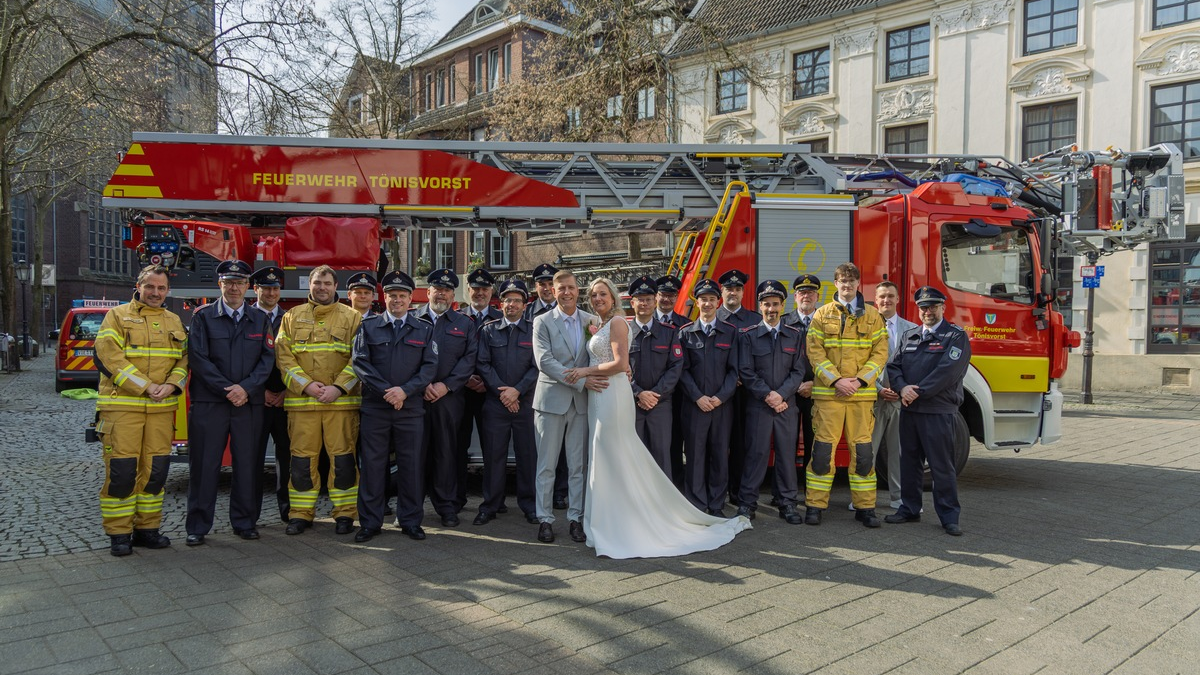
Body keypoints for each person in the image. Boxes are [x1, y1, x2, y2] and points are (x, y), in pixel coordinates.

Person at [563, 278, 751, 558]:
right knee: (608, 457)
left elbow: (622, 364)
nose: (598, 298)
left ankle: (624, 521)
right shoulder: (598, 324)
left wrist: (584, 372)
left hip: (612, 396)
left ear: (614, 298)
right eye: (593, 294)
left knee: (613, 453)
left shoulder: (616, 323)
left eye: (603, 293)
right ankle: (613, 517)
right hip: (602, 395)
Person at [94, 264, 188, 556]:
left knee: (155, 472)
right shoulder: (117, 316)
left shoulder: (174, 321)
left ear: (167, 290)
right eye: (150, 287)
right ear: (139, 286)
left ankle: (148, 529)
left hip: (160, 410)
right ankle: (119, 533)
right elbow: (110, 358)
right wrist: (147, 387)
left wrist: (172, 385)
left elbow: (183, 361)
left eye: (161, 288)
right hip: (122, 409)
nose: (155, 293)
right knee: (122, 473)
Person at [184, 260, 276, 546]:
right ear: (220, 285)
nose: (234, 287)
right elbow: (198, 358)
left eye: (239, 282)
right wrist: (228, 389)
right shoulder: (203, 316)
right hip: (210, 402)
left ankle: (245, 522)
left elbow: (267, 360)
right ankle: (198, 526)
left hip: (247, 403)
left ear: (248, 287)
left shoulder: (260, 319)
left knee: (248, 464)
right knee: (204, 464)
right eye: (228, 282)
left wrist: (245, 388)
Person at [274, 264, 363, 536]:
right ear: (308, 286)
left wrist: (338, 387)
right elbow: (283, 357)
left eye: (327, 283)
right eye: (317, 283)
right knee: (301, 461)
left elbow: (360, 359)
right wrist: (307, 386)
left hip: (341, 405)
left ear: (336, 287)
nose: (322, 288)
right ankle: (300, 514)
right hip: (303, 406)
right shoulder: (291, 317)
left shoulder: (352, 317)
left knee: (344, 460)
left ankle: (346, 513)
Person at [352, 271, 438, 542]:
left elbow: (429, 367)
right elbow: (360, 363)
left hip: (410, 409)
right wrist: (387, 392)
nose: (397, 300)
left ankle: (411, 520)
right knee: (373, 467)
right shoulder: (368, 327)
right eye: (392, 295)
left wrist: (404, 391)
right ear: (384, 297)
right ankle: (370, 522)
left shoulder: (424, 329)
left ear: (410, 298)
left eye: (402, 296)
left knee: (411, 467)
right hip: (376, 409)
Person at [804, 262, 888, 527]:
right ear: (836, 283)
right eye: (843, 281)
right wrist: (837, 381)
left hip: (860, 397)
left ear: (858, 284)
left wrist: (861, 381)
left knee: (863, 454)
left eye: (852, 281)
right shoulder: (821, 314)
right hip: (829, 396)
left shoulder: (873, 316)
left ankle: (865, 508)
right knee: (822, 453)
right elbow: (814, 352)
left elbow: (880, 353)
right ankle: (815, 506)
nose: (847, 285)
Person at [885, 287, 971, 536]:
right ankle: (909, 508)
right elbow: (894, 366)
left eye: (933, 306)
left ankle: (949, 516)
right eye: (923, 307)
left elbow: (948, 372)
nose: (928, 311)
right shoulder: (910, 335)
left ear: (943, 307)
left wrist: (916, 392)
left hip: (937, 411)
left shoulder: (955, 336)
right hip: (910, 410)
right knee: (909, 463)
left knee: (941, 466)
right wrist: (901, 388)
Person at [531, 270, 600, 544]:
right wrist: (581, 382)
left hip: (581, 406)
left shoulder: (592, 321)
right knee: (546, 466)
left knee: (577, 466)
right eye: (561, 288)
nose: (567, 292)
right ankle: (545, 519)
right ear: (553, 291)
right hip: (550, 403)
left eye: (571, 287)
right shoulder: (542, 321)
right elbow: (544, 361)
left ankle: (575, 519)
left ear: (578, 289)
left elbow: (598, 357)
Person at [734, 280, 807, 524]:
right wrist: (768, 395)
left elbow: (798, 371)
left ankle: (787, 503)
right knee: (756, 454)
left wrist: (781, 396)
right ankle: (747, 503)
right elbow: (745, 370)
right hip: (759, 405)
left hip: (786, 406)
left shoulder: (795, 336)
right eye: (766, 304)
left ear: (782, 305)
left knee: (787, 456)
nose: (771, 309)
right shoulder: (749, 336)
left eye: (775, 304)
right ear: (760, 306)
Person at [412, 268, 478, 527]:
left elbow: (469, 359)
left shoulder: (464, 324)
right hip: (415, 398)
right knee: (414, 455)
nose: (441, 293)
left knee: (446, 453)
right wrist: (423, 384)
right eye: (437, 289)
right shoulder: (413, 319)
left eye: (447, 289)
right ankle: (411, 507)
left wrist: (446, 386)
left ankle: (447, 507)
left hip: (449, 400)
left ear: (453, 295)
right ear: (427, 292)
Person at [474, 278, 540, 525]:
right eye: (507, 300)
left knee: (528, 457)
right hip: (496, 404)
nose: (511, 304)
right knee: (493, 457)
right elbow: (482, 363)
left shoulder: (535, 330)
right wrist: (504, 393)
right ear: (500, 303)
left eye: (517, 300)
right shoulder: (489, 330)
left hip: (525, 404)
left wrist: (517, 391)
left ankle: (530, 506)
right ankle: (490, 505)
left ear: (525, 304)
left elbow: (538, 366)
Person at [678, 278, 739, 515]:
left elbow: (735, 370)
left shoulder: (731, 332)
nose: (707, 304)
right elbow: (681, 370)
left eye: (712, 299)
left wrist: (720, 398)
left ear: (718, 302)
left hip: (721, 407)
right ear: (697, 302)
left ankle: (716, 504)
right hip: (694, 406)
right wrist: (698, 397)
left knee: (719, 455)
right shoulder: (685, 334)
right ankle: (696, 504)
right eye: (703, 299)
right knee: (694, 456)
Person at [626, 275, 683, 481]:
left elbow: (675, 366)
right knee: (634, 455)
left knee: (661, 455)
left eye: (648, 299)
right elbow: (619, 369)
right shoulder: (623, 332)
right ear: (632, 302)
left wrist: (655, 394)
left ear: (655, 301)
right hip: (631, 403)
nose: (644, 303)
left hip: (660, 405)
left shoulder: (669, 333)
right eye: (639, 299)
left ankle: (662, 505)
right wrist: (639, 393)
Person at [524, 262, 569, 510]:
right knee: (540, 450)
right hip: (533, 392)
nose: (545, 288)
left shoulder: (574, 313)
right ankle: (538, 498)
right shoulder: (527, 313)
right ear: (536, 287)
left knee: (563, 450)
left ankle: (560, 493)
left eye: (548, 283)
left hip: (563, 387)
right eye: (540, 283)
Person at [457, 268, 502, 511]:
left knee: (492, 448)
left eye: (485, 288)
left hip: (489, 392)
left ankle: (493, 500)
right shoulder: (456, 317)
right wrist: (464, 379)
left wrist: (488, 381)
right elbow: (451, 354)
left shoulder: (500, 317)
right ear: (468, 290)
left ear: (491, 292)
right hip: (461, 393)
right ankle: (457, 497)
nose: (480, 292)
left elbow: (504, 357)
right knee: (458, 446)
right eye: (475, 288)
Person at [871, 280, 919, 510]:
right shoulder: (865, 327)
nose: (886, 300)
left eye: (890, 296)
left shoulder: (912, 330)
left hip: (899, 400)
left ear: (898, 299)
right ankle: (863, 499)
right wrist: (878, 389)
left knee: (898, 453)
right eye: (882, 296)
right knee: (866, 452)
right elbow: (857, 364)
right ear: (875, 300)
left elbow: (917, 365)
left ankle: (899, 497)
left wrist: (901, 389)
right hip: (872, 399)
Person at [715, 269, 761, 506]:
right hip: (720, 394)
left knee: (743, 444)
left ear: (743, 292)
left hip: (746, 394)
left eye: (737, 288)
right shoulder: (713, 316)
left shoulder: (754, 320)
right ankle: (717, 493)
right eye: (728, 289)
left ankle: (739, 492)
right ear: (721, 292)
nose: (732, 292)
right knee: (719, 444)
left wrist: (744, 378)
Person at [250, 266, 290, 523]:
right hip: (256, 401)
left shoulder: (290, 319)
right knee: (252, 460)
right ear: (256, 290)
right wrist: (258, 391)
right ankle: (249, 516)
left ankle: (288, 512)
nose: (271, 292)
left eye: (275, 288)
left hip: (287, 399)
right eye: (266, 288)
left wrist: (288, 390)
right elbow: (241, 362)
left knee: (287, 460)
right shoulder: (245, 317)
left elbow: (300, 359)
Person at [782, 274, 821, 471]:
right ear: (795, 297)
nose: (806, 296)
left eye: (811, 292)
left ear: (818, 296)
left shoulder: (826, 324)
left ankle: (811, 491)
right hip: (789, 392)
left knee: (815, 443)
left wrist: (816, 383)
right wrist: (792, 385)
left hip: (817, 391)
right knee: (786, 443)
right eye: (802, 292)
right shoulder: (784, 322)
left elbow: (835, 358)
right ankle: (786, 491)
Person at [654, 274, 688, 487]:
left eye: (671, 295)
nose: (666, 299)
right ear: (656, 296)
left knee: (676, 442)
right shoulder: (644, 323)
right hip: (650, 396)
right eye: (663, 295)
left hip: (679, 396)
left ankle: (676, 486)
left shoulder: (685, 326)